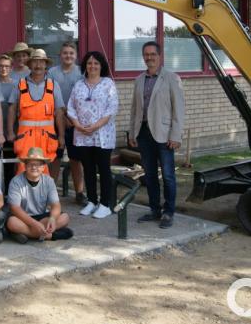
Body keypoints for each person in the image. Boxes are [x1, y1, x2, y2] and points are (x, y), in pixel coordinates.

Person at [129, 41, 185, 229]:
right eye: (146, 54)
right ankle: (155, 210)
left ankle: (168, 212)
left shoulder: (171, 78)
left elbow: (179, 109)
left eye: (153, 54)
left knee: (168, 175)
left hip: (164, 134)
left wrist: (176, 136)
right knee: (150, 174)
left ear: (159, 57)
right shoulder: (139, 80)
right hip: (144, 133)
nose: (149, 57)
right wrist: (133, 132)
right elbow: (135, 109)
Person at [67, 51, 119, 219]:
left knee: (103, 169)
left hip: (102, 135)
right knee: (87, 169)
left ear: (101, 65)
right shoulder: (79, 85)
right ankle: (92, 201)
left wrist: (95, 126)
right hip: (82, 135)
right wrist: (77, 125)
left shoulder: (108, 84)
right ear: (85, 66)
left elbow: (112, 108)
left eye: (96, 63)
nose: (92, 66)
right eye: (89, 63)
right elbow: (71, 107)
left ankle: (105, 204)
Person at [7, 48, 65, 175]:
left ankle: (43, 195)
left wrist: (61, 136)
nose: (38, 65)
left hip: (46, 138)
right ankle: (23, 195)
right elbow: (11, 109)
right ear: (30, 64)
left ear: (46, 65)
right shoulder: (20, 84)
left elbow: (59, 113)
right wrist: (10, 132)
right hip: (25, 138)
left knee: (44, 171)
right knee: (23, 169)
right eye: (35, 62)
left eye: (41, 62)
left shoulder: (53, 85)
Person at [6, 147, 73, 244]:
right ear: (25, 166)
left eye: (37, 165)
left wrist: (52, 219)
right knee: (11, 222)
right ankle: (50, 235)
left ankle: (28, 234)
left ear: (43, 167)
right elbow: (15, 208)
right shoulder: (16, 181)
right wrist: (35, 224)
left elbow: (56, 205)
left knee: (65, 217)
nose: (34, 167)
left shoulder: (48, 181)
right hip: (23, 218)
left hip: (41, 216)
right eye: (30, 164)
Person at [47, 42, 86, 206]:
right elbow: (49, 97)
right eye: (65, 53)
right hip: (55, 120)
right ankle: (51, 194)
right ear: (60, 55)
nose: (68, 56)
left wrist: (72, 119)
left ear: (75, 55)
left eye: (71, 53)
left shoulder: (81, 73)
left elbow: (83, 99)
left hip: (75, 122)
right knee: (55, 158)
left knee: (76, 159)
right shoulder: (52, 72)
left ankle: (79, 193)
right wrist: (61, 117)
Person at [0, 54, 18, 190]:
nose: (4, 68)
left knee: (10, 164)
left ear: (11, 68)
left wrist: (12, 131)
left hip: (12, 131)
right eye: (1, 66)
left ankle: (10, 194)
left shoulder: (17, 85)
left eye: (7, 66)